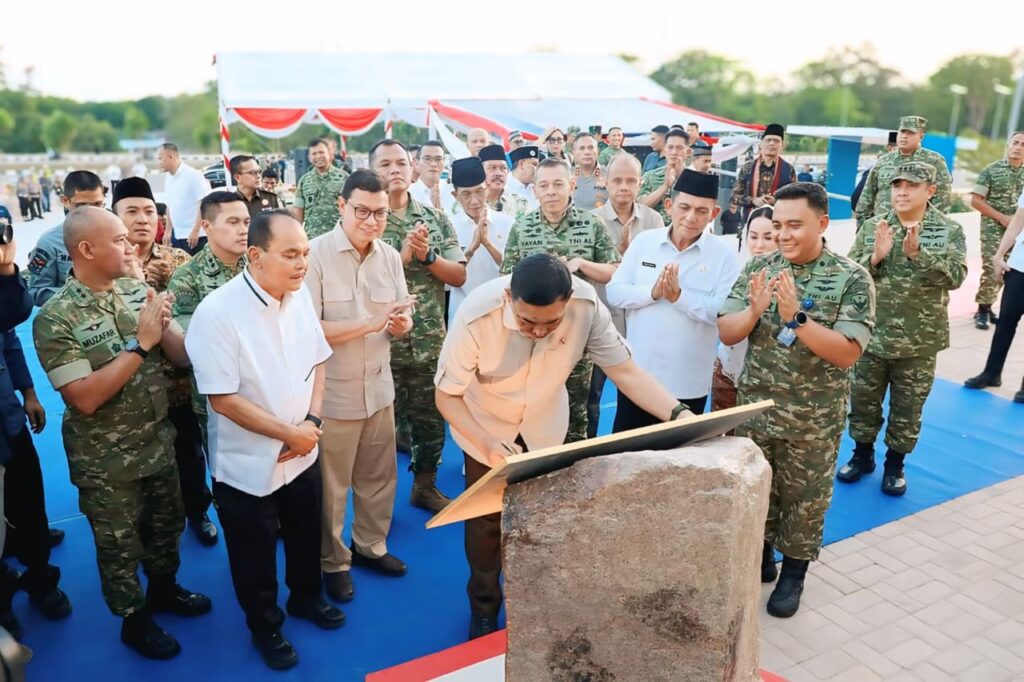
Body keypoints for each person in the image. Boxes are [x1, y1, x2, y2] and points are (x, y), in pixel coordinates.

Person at [436, 254, 697, 638]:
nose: (539, 331)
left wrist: (678, 414)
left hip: (545, 423)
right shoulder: (477, 314)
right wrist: (488, 443)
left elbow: (624, 371)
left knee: (541, 517)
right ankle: (485, 605)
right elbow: (447, 396)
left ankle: (535, 597)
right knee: (487, 522)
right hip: (485, 426)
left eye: (551, 323)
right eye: (527, 321)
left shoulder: (587, 306)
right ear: (509, 296)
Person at [32, 207, 211, 659]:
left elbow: (183, 357)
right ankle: (134, 619)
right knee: (119, 545)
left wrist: (162, 321)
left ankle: (165, 590)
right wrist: (141, 343)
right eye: (117, 239)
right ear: (86, 249)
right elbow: (85, 397)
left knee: (166, 526)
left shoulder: (134, 289)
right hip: (105, 461)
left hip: (157, 442)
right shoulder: (56, 318)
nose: (129, 244)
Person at [185, 210, 341, 669]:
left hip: (303, 449)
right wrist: (290, 432)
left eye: (306, 253)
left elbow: (319, 361)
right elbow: (223, 400)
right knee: (253, 556)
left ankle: (307, 599)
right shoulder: (217, 312)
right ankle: (266, 626)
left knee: (304, 535)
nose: (302, 264)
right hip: (249, 464)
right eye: (290, 254)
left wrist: (311, 422)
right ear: (254, 255)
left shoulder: (299, 296)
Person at [717, 182, 875, 618]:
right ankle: (762, 557)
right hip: (758, 411)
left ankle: (794, 575)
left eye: (795, 226)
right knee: (758, 489)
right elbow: (726, 330)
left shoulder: (852, 278)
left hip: (813, 418)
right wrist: (753, 311)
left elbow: (847, 354)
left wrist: (796, 319)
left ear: (823, 224)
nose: (784, 235)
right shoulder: (760, 268)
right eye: (778, 225)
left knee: (805, 499)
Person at [305, 170, 414, 606]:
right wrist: (370, 322)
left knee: (380, 478)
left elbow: (399, 318)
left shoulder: (389, 256)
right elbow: (309, 330)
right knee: (332, 488)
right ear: (341, 206)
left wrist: (401, 325)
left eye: (380, 213)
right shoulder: (313, 256)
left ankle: (372, 546)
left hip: (379, 389)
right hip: (333, 395)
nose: (371, 221)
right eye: (362, 211)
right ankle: (333, 562)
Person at [843, 162, 967, 495]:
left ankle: (895, 464)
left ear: (931, 191)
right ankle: (862, 455)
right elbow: (850, 276)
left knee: (908, 407)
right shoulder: (873, 227)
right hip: (871, 335)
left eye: (912, 185)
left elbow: (956, 277)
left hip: (919, 341)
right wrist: (875, 258)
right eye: (897, 184)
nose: (902, 191)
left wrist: (919, 256)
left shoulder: (948, 230)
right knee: (863, 401)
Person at [114, 178, 216, 546]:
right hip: (128, 391)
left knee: (189, 452)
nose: (143, 219)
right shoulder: (105, 268)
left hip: (178, 383)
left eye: (149, 211)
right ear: (114, 217)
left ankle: (198, 510)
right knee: (138, 467)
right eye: (131, 212)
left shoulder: (178, 261)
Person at [372, 140, 467, 512]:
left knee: (430, 421)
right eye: (385, 164)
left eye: (400, 163)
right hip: (378, 344)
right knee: (378, 430)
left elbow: (458, 275)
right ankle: (377, 504)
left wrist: (428, 256)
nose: (394, 170)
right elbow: (356, 282)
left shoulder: (434, 219)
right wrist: (402, 257)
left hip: (427, 342)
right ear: (373, 171)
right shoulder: (363, 224)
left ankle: (425, 485)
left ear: (412, 169)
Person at [608, 169, 741, 428]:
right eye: (684, 207)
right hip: (638, 380)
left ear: (714, 214)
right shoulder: (644, 243)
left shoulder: (723, 256)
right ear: (669, 206)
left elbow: (724, 312)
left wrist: (679, 297)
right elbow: (615, 292)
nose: (691, 217)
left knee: (679, 463)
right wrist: (653, 293)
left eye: (702, 211)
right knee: (626, 458)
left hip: (688, 384)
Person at [502, 158, 620, 443]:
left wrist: (581, 264)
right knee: (532, 409)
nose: (551, 191)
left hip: (577, 336)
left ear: (572, 184)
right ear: (535, 190)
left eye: (558, 184)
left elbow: (614, 270)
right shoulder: (522, 227)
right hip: (532, 338)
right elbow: (505, 278)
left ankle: (579, 466)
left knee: (580, 409)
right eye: (543, 185)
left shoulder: (593, 224)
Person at [0, 232, 71, 642]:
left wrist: (28, 393)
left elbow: (10, 330)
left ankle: (41, 577)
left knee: (28, 497)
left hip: (5, 417)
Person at [167, 191, 250, 476]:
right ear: (207, 226)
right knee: (229, 477)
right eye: (233, 222)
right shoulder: (188, 277)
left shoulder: (258, 266)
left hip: (265, 390)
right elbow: (194, 343)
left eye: (247, 221)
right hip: (220, 401)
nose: (243, 229)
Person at [588, 153, 664, 436]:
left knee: (636, 396)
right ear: (605, 182)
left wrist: (628, 260)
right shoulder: (590, 221)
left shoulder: (654, 220)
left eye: (631, 181)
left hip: (640, 325)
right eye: (617, 180)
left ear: (640, 183)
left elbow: (659, 271)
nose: (624, 187)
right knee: (590, 398)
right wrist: (617, 259)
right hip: (598, 323)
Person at [711, 207, 778, 411]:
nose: (759, 245)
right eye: (753, 236)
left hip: (771, 380)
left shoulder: (789, 281)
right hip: (729, 371)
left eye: (768, 237)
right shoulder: (736, 274)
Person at [965, 195, 1024, 402]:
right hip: (1019, 266)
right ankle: (991, 373)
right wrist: (999, 255)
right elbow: (1019, 218)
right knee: (1005, 322)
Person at [448, 157, 513, 327]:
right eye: (466, 194)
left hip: (501, 312)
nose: (475, 200)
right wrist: (472, 248)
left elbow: (514, 270)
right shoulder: (448, 226)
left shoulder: (507, 223)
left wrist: (487, 244)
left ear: (487, 188)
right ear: (455, 195)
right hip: (462, 315)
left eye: (479, 191)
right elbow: (447, 281)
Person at [969, 131, 1024, 329]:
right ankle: (982, 310)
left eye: (1022, 145)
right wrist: (1001, 218)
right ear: (1008, 144)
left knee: (1009, 269)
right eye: (1015, 143)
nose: (1017, 147)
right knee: (991, 267)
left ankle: (989, 304)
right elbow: (975, 201)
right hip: (993, 228)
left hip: (1018, 231)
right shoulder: (991, 170)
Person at [26, 171, 107, 306]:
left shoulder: (117, 235)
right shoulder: (50, 242)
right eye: (82, 206)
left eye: (97, 204)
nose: (91, 212)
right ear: (65, 201)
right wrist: (80, 295)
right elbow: (36, 292)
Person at [855, 116, 953, 226]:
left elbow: (943, 200)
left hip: (917, 230)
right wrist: (864, 229)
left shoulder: (934, 161)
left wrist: (929, 231)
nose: (904, 136)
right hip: (883, 230)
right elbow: (866, 199)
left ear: (921, 136)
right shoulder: (883, 161)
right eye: (902, 132)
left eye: (910, 133)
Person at [730, 124, 797, 224]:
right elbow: (734, 198)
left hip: (778, 224)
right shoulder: (747, 168)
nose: (771, 143)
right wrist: (753, 201)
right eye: (768, 140)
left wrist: (776, 201)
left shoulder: (789, 169)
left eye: (776, 141)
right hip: (750, 223)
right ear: (760, 144)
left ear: (782, 146)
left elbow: (795, 199)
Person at [157, 143, 211, 255]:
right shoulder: (168, 179)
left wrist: (196, 230)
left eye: (160, 158)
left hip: (195, 236)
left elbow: (204, 202)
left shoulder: (193, 175)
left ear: (171, 156)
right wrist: (167, 231)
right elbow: (169, 205)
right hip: (177, 236)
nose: (159, 162)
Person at [293, 139, 351, 239]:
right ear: (309, 157)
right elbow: (298, 212)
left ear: (329, 154)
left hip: (339, 237)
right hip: (312, 239)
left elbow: (351, 208)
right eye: (314, 154)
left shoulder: (345, 178)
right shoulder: (304, 181)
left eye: (321, 152)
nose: (318, 156)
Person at [638, 128, 690, 223]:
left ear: (688, 152)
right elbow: (640, 206)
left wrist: (682, 179)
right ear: (665, 150)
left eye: (679, 148)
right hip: (654, 231)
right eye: (670, 147)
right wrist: (665, 186)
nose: (674, 152)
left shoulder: (697, 178)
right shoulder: (650, 176)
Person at [479, 144, 531, 225]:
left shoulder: (520, 205)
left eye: (503, 168)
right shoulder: (472, 203)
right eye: (492, 168)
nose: (498, 173)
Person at [850, 131, 897, 213]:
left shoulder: (875, 169)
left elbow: (856, 199)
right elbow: (856, 198)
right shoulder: (876, 169)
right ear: (890, 148)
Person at [410, 141, 456, 215]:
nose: (433, 164)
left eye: (438, 159)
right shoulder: (409, 194)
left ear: (444, 162)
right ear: (416, 163)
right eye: (427, 159)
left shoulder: (453, 192)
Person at [230, 155, 280, 219]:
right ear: (238, 177)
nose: (258, 176)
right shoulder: (229, 203)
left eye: (259, 172)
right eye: (253, 173)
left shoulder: (270, 198)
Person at [571, 133, 609, 210]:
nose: (587, 152)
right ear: (573, 152)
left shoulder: (610, 175)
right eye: (582, 148)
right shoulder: (566, 175)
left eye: (591, 147)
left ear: (597, 151)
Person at [505, 146, 540, 210]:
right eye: (534, 164)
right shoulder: (504, 186)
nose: (538, 169)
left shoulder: (537, 188)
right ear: (521, 164)